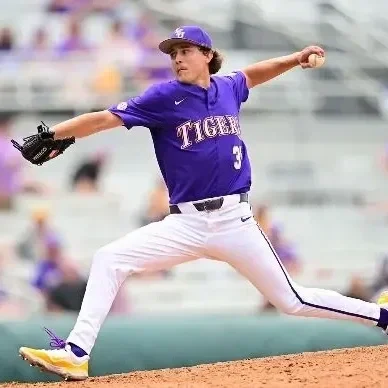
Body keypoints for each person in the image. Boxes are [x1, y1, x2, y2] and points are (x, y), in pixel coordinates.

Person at [18, 25, 388, 381]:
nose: (177, 58)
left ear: (208, 55)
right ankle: (76, 355)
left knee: (293, 301)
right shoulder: (162, 98)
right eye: (173, 53)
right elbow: (104, 118)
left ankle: (382, 317)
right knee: (109, 259)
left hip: (234, 222)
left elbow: (254, 74)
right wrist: (56, 133)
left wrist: (294, 59)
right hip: (185, 224)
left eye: (185, 51)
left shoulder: (228, 88)